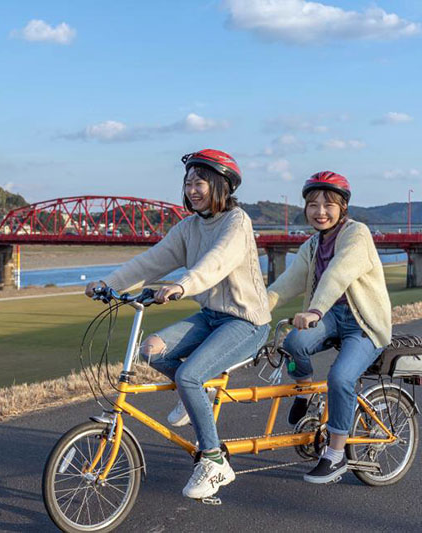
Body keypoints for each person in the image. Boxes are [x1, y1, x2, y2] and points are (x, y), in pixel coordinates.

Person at [85, 149, 271, 499]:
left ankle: (215, 461)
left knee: (188, 375)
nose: (192, 190)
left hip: (245, 321)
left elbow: (217, 263)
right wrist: (108, 283)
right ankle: (199, 394)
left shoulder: (237, 222)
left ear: (222, 185)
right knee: (151, 350)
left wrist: (182, 285)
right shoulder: (188, 227)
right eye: (188, 183)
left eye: (200, 182)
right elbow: (151, 261)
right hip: (211, 316)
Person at [267, 171, 391, 484]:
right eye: (312, 204)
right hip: (330, 317)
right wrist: (258, 306)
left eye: (328, 204)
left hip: (364, 323)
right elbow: (291, 280)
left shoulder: (357, 234)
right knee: (293, 342)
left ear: (343, 207)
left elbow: (338, 273)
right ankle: (304, 391)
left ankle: (335, 455)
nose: (320, 211)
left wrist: (314, 309)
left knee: (340, 377)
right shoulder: (312, 244)